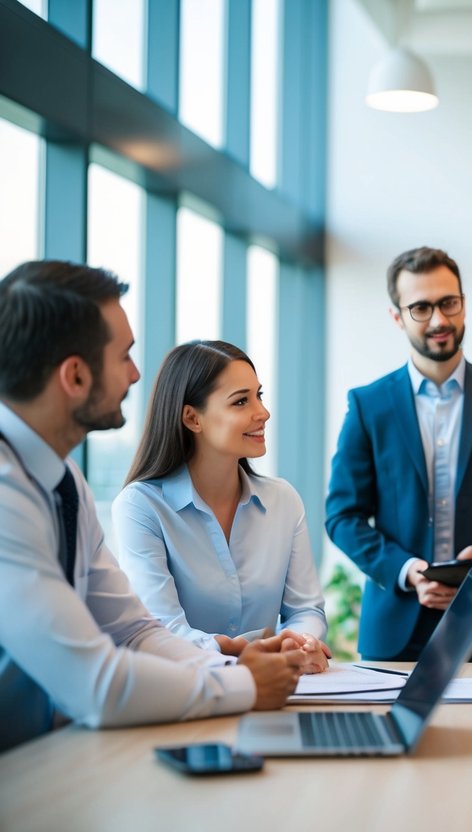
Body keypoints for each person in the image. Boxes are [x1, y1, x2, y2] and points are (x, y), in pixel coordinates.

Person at [0, 260, 304, 752]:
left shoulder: (64, 481)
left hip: (44, 756)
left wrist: (234, 668)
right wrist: (243, 686)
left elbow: (133, 628)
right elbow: (94, 684)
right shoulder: (6, 493)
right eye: (124, 356)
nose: (137, 374)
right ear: (75, 376)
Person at [326, 246, 472, 662]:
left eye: (448, 303)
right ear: (397, 317)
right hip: (394, 630)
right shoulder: (368, 405)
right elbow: (342, 516)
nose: (440, 320)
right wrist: (407, 571)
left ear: (463, 304)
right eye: (421, 308)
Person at [111, 341, 330, 673]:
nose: (263, 413)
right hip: (188, 694)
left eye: (259, 395)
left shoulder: (283, 500)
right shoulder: (141, 506)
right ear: (192, 418)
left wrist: (301, 641)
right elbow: (160, 628)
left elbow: (306, 610)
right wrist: (233, 651)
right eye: (241, 401)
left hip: (277, 692)